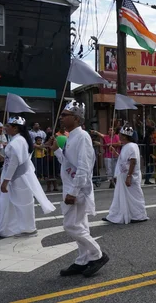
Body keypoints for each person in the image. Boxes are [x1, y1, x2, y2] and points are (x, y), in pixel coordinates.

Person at [50, 100, 109, 277]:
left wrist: (73, 192)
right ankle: (83, 260)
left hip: (77, 189)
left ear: (76, 118)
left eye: (65, 115)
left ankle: (97, 255)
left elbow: (84, 167)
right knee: (81, 225)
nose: (61, 118)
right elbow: (69, 163)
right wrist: (56, 151)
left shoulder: (82, 137)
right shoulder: (71, 136)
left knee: (70, 226)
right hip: (72, 187)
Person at [0, 117, 55, 238]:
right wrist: (3, 159)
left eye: (8, 126)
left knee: (21, 203)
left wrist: (5, 182)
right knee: (13, 203)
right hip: (19, 177)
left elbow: (14, 163)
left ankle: (27, 229)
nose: (5, 128)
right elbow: (15, 160)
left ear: (15, 128)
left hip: (17, 178)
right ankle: (14, 227)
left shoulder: (17, 141)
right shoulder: (19, 139)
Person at [103, 126, 149, 224]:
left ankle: (139, 216)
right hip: (123, 175)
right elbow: (124, 160)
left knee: (134, 196)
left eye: (120, 134)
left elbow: (133, 161)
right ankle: (114, 215)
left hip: (130, 176)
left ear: (125, 136)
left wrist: (129, 176)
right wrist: (115, 153)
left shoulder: (132, 146)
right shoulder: (125, 146)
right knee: (119, 196)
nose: (118, 136)